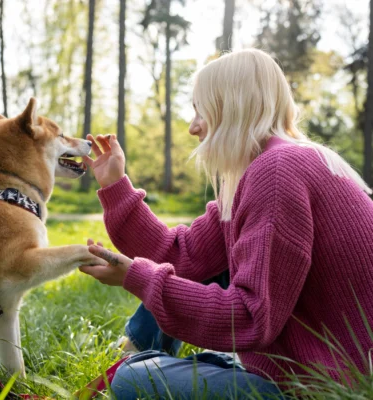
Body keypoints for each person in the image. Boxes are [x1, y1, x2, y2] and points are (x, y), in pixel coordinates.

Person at [78, 49, 373, 399]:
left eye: (200, 110)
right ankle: (137, 353)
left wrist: (135, 277)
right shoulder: (274, 165)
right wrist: (115, 184)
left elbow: (252, 317)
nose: (193, 127)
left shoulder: (277, 172)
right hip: (305, 360)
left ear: (231, 105)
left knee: (130, 381)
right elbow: (179, 253)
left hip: (320, 386)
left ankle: (137, 363)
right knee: (183, 285)